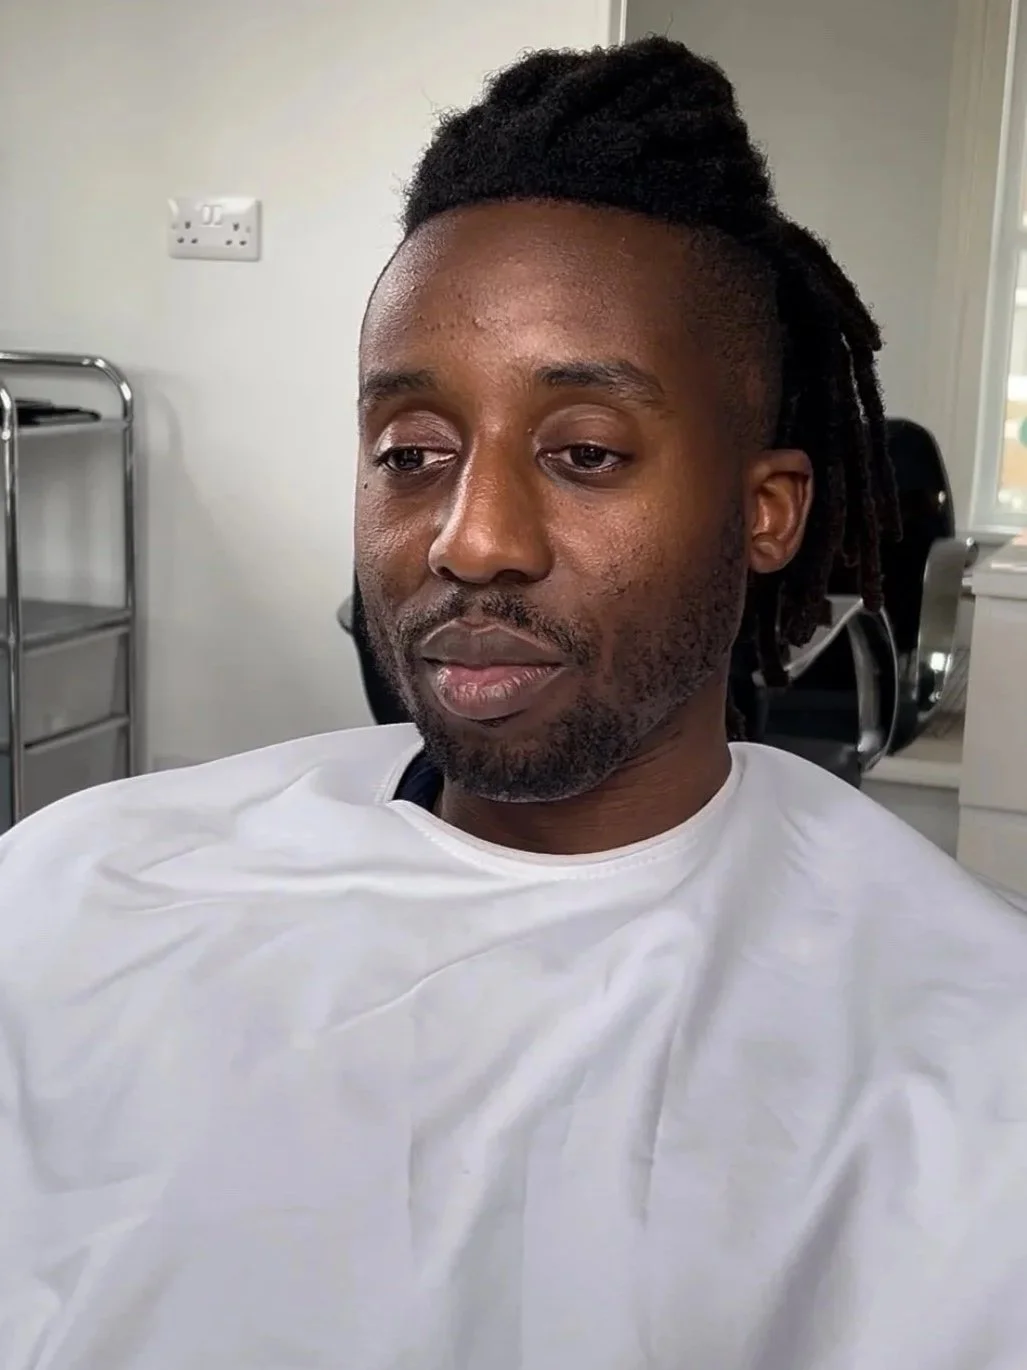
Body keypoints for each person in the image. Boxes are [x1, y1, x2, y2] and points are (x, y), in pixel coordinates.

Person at [2, 36, 1026, 1370]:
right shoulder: (76, 884)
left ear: (764, 509)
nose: (469, 538)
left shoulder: (964, 1058)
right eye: (411, 453)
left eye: (585, 452)